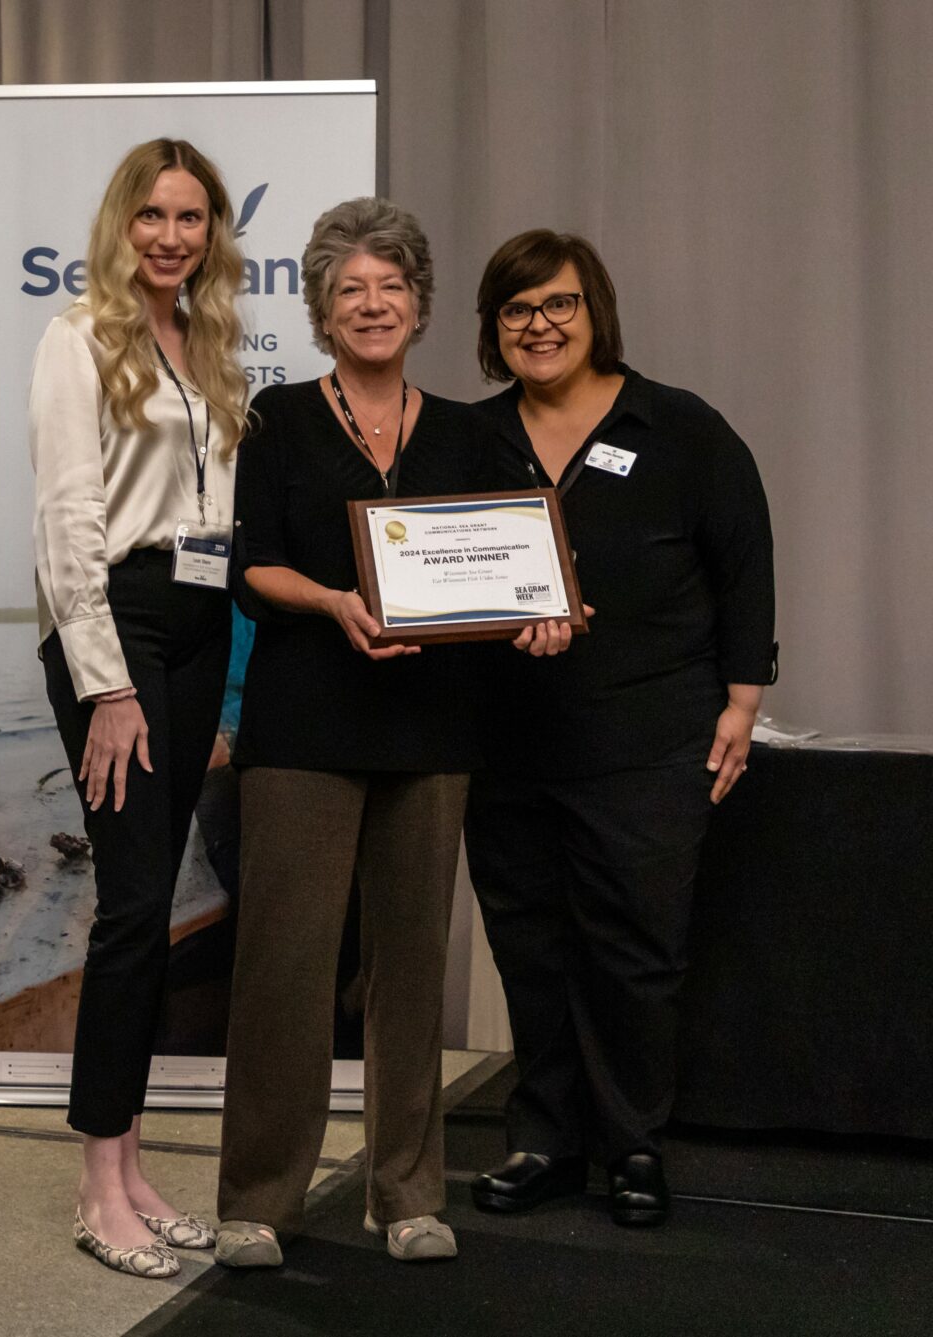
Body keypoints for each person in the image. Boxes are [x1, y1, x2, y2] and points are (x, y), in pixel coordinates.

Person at [213, 198, 575, 1269]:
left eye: (391, 287)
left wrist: (547, 613)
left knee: (413, 969)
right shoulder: (277, 418)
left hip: (431, 732)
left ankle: (407, 1192)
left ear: (418, 305)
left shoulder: (472, 432)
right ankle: (258, 1198)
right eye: (350, 290)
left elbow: (522, 567)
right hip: (301, 730)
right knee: (284, 969)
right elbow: (250, 565)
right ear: (324, 312)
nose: (373, 305)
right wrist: (332, 601)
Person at [462, 230, 776, 1228]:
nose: (539, 326)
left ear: (595, 311)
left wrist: (742, 700)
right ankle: (546, 1138)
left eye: (557, 305)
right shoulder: (468, 440)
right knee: (530, 947)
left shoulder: (681, 429)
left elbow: (746, 563)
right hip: (504, 744)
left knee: (635, 951)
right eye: (517, 311)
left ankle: (634, 1142)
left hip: (649, 741)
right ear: (493, 330)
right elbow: (435, 578)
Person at [29, 138, 250, 1279]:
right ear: (124, 222)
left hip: (201, 625)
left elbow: (220, 519)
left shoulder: (207, 344)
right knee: (128, 909)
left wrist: (220, 686)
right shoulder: (78, 341)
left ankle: (128, 1160)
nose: (174, 236)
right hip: (123, 624)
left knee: (155, 906)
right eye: (156, 215)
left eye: (194, 218)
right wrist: (107, 685)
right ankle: (92, 1182)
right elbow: (68, 522)